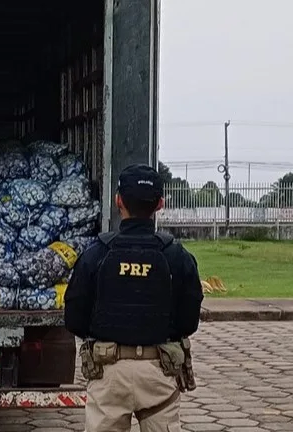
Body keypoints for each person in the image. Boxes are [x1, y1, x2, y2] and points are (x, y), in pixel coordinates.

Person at [64, 164, 204, 432]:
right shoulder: (177, 256)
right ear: (160, 204)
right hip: (159, 374)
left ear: (118, 201)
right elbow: (189, 322)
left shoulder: (96, 253)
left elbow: (74, 318)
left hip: (108, 372)